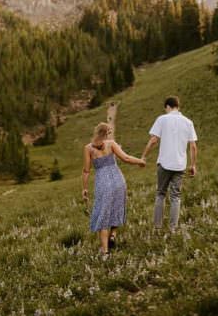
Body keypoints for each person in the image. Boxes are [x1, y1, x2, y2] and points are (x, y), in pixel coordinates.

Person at [82, 122, 145, 254]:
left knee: (103, 214)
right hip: (118, 180)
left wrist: (85, 188)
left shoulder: (88, 148)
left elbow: (86, 171)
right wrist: (140, 161)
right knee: (117, 208)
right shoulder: (111, 144)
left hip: (102, 183)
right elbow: (126, 158)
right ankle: (113, 234)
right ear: (106, 133)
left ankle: (105, 251)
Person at [141, 96, 198, 231]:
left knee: (160, 194)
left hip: (164, 163)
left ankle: (157, 227)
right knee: (176, 196)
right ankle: (173, 229)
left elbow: (153, 140)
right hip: (180, 165)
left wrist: (143, 156)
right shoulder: (188, 122)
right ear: (178, 106)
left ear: (167, 106)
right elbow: (193, 146)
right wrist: (193, 165)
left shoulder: (162, 119)